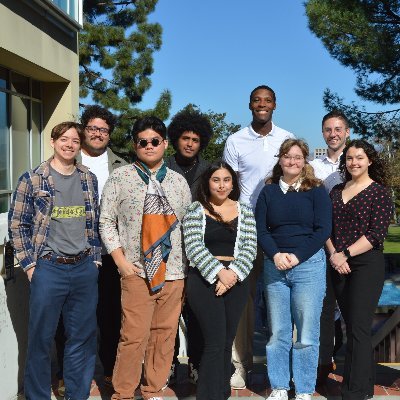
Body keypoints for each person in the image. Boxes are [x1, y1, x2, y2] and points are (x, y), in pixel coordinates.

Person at [99, 116, 192, 400]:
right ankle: (124, 393)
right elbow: (106, 222)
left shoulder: (178, 182)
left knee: (163, 338)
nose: (149, 146)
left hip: (173, 272)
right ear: (134, 145)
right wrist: (122, 263)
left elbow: (189, 226)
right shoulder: (120, 177)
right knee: (133, 337)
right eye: (143, 142)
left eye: (154, 141)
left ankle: (153, 390)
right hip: (136, 271)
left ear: (164, 144)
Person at [8, 121, 101, 400]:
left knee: (82, 339)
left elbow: (94, 223)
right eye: (64, 139)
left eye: (75, 140)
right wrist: (30, 265)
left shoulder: (88, 178)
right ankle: (38, 395)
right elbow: (17, 225)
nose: (70, 144)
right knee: (41, 339)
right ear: (53, 142)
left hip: (84, 267)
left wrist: (95, 260)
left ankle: (76, 394)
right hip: (48, 268)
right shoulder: (32, 178)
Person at [223, 84, 294, 389]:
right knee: (243, 300)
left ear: (274, 105)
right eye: (257, 100)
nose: (262, 105)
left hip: (281, 230)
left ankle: (283, 368)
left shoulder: (286, 139)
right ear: (249, 104)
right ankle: (241, 365)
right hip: (246, 228)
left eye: (267, 100)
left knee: (283, 299)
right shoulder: (236, 140)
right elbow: (227, 184)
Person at [54, 105, 127, 393]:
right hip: (74, 251)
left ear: (109, 135)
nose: (98, 134)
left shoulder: (121, 165)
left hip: (110, 252)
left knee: (110, 314)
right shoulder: (68, 159)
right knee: (70, 317)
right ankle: (65, 374)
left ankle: (109, 371)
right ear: (84, 130)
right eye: (93, 128)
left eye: (104, 130)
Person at [255, 139, 332, 400]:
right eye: (287, 156)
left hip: (308, 267)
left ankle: (304, 389)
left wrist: (297, 257)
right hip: (275, 267)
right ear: (280, 159)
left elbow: (323, 230)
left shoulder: (316, 190)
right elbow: (261, 230)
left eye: (297, 157)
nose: (292, 161)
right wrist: (275, 254)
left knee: (307, 332)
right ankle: (279, 386)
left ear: (305, 161)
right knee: (278, 331)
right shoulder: (268, 192)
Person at [182, 161, 257, 400]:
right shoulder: (196, 209)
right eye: (216, 180)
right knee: (214, 340)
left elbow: (250, 247)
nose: (222, 185)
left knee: (226, 341)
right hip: (204, 281)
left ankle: (222, 393)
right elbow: (193, 246)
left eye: (226, 180)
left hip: (237, 279)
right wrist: (219, 272)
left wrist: (232, 274)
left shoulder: (244, 211)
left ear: (233, 183)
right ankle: (208, 395)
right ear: (207, 182)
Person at [327, 139, 392, 400]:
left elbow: (376, 234)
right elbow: (326, 227)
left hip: (366, 264)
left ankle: (354, 391)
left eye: (359, 158)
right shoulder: (336, 191)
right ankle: (363, 386)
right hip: (337, 264)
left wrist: (345, 254)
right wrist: (334, 254)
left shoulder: (379, 192)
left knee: (359, 328)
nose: (354, 162)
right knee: (351, 325)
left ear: (370, 161)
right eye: (350, 158)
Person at [166, 107, 213, 384]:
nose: (189, 144)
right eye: (185, 138)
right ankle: (169, 364)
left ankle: (196, 365)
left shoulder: (208, 171)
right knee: (168, 316)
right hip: (167, 251)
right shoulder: (163, 168)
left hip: (200, 251)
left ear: (201, 143)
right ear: (176, 139)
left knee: (196, 314)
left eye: (195, 140)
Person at [309, 110, 350, 384]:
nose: (333, 134)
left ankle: (351, 365)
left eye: (338, 129)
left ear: (347, 132)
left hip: (352, 246)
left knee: (350, 309)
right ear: (323, 132)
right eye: (328, 129)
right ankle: (324, 361)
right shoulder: (313, 167)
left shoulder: (358, 160)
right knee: (323, 307)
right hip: (320, 245)